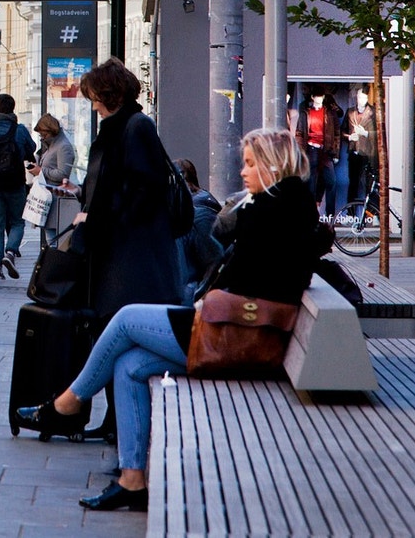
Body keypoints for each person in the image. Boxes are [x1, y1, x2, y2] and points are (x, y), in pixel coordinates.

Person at [17, 128, 323, 512]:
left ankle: (70, 402)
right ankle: (132, 481)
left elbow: (242, 277)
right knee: (128, 365)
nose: (242, 172)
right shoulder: (284, 206)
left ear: (272, 165)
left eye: (249, 164)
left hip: (238, 337)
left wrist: (241, 209)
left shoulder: (272, 211)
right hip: (235, 328)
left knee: (127, 319)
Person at [71, 57, 184, 441]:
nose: (92, 104)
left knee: (116, 333)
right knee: (107, 333)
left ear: (109, 94)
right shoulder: (120, 127)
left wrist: (98, 219)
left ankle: (118, 423)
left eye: (94, 96)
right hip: (118, 252)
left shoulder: (136, 127)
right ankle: (114, 422)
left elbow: (142, 190)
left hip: (132, 258)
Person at [0, 93, 37, 279]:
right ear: (13, 109)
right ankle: (10, 252)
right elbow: (32, 148)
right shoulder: (19, 130)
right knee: (18, 222)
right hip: (16, 183)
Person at [174, 158, 224, 303]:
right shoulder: (196, 205)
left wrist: (197, 295)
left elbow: (214, 259)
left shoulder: (198, 214)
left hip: (192, 299)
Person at [28, 112, 78, 246]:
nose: (42, 138)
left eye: (43, 135)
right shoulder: (51, 145)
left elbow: (63, 173)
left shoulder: (63, 147)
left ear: (51, 131)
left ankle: (54, 263)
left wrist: (41, 171)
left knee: (54, 239)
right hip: (48, 199)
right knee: (50, 238)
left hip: (56, 199)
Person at [294, 85, 346, 214]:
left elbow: (336, 134)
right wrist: (301, 152)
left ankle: (330, 215)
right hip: (311, 149)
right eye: (317, 97)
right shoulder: (306, 113)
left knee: (331, 181)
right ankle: (311, 214)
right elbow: (299, 133)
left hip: (326, 150)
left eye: (321, 97)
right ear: (312, 97)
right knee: (310, 183)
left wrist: (335, 153)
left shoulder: (329, 113)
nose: (319, 99)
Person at [346, 88, 378, 205]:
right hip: (354, 153)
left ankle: (371, 212)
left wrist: (365, 133)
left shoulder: (373, 112)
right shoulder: (350, 112)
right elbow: (342, 131)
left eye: (364, 97)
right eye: (360, 97)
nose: (362, 100)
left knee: (369, 184)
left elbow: (381, 133)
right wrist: (349, 137)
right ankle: (351, 214)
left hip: (368, 154)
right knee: (353, 183)